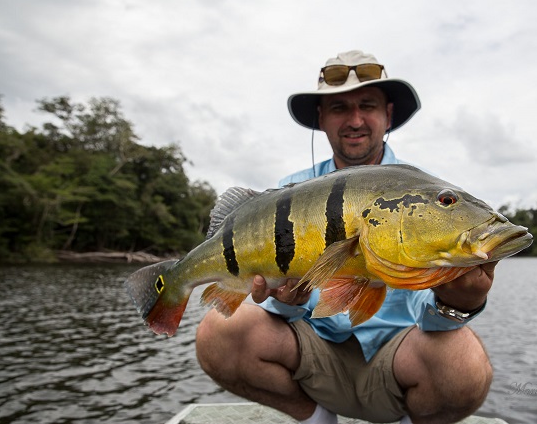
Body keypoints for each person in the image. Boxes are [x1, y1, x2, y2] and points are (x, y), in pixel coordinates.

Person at [196, 50, 496, 424]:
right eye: (339, 108)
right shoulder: (287, 196)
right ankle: (316, 418)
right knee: (220, 331)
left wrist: (460, 304)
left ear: (388, 114)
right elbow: (281, 307)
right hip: (316, 362)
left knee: (463, 364)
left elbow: (432, 323)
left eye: (367, 105)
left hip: (399, 363)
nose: (355, 120)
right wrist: (288, 300)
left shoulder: (426, 195)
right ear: (321, 119)